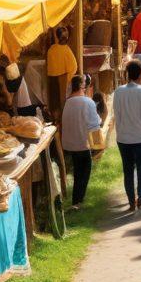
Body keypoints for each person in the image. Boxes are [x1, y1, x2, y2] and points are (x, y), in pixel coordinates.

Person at [113, 59, 141, 212]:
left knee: (128, 170)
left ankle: (131, 201)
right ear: (140, 74)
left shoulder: (118, 92)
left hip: (123, 138)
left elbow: (117, 114)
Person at [60, 73, 101, 210]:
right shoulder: (87, 101)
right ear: (82, 86)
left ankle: (75, 200)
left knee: (78, 171)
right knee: (85, 170)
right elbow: (94, 123)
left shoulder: (68, 102)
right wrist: (97, 144)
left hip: (71, 143)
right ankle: (78, 201)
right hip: (83, 143)